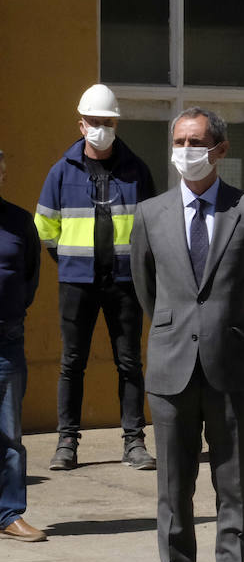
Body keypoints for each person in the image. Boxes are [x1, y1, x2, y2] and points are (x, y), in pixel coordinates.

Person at [130, 107, 244, 562]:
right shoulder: (150, 213)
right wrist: (180, 332)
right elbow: (148, 292)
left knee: (233, 488)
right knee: (174, 492)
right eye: (178, 141)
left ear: (219, 149)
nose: (185, 150)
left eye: (195, 141)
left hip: (232, 366)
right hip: (171, 369)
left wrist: (232, 334)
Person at [35, 84, 156, 472]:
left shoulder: (137, 171)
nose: (101, 128)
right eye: (94, 122)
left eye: (107, 122)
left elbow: (152, 227)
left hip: (125, 284)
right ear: (81, 124)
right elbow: (46, 229)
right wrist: (73, 261)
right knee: (72, 363)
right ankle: (66, 443)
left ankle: (134, 441)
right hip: (77, 283)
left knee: (130, 363)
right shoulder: (60, 171)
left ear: (116, 122)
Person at [0, 149, 45, 542]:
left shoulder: (18, 221)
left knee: (10, 434)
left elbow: (30, 276)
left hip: (7, 339)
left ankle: (9, 514)